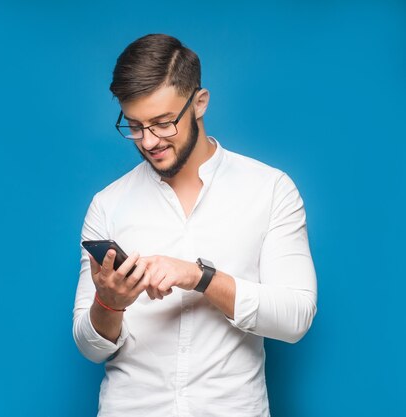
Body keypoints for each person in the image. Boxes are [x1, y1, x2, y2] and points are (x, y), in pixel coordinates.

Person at [72, 34, 318, 417]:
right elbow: (90, 346)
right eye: (134, 126)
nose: (149, 141)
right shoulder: (107, 204)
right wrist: (109, 303)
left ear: (199, 103)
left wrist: (199, 277)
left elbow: (296, 317)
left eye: (163, 122)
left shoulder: (270, 190)